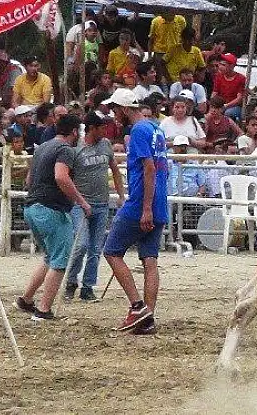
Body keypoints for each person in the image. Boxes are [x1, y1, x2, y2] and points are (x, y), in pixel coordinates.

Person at [102, 88, 169, 335]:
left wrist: (146, 208)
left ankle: (137, 306)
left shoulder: (138, 130)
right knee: (150, 259)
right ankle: (148, 316)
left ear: (123, 108)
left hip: (142, 201)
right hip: (159, 200)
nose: (113, 114)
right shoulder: (155, 128)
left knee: (111, 251)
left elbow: (149, 168)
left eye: (114, 109)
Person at [14, 115, 90, 321]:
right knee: (60, 260)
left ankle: (26, 299)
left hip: (32, 208)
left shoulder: (43, 147)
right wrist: (81, 202)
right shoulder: (66, 150)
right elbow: (61, 176)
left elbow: (29, 179)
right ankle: (44, 309)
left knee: (50, 256)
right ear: (74, 132)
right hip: (51, 210)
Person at [65, 112, 124, 303]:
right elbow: (68, 175)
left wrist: (121, 195)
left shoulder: (105, 145)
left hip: (101, 203)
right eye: (101, 127)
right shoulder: (76, 149)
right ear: (92, 128)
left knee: (95, 248)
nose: (104, 131)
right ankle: (71, 280)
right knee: (81, 245)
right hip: (80, 204)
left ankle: (87, 287)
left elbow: (114, 169)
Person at [211, 53, 247, 121]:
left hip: (235, 107)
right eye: (220, 64)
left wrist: (226, 106)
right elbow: (214, 92)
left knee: (228, 113)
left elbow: (239, 99)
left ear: (232, 66)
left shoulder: (241, 78)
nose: (220, 67)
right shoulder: (218, 76)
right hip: (220, 105)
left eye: (223, 65)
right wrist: (211, 104)